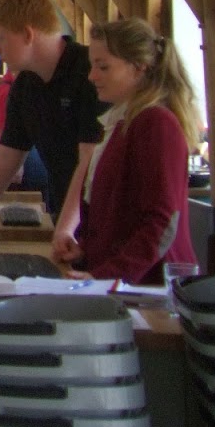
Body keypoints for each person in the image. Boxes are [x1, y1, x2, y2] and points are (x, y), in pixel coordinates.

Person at [53, 18, 201, 284]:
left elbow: (162, 221)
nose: (91, 76)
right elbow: (121, 213)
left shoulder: (156, 123)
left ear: (138, 68)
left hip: (151, 286)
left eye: (103, 67)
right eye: (92, 66)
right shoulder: (124, 121)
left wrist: (105, 276)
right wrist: (86, 248)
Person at [0, 0, 107, 224]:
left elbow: (89, 164)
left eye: (0, 38)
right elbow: (7, 157)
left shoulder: (91, 74)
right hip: (65, 217)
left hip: (102, 220)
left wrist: (67, 228)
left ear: (28, 35)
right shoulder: (25, 86)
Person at [0, 68, 48, 194]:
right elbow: (8, 129)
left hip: (20, 157)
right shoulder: (11, 91)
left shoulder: (2, 89)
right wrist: (16, 167)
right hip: (25, 159)